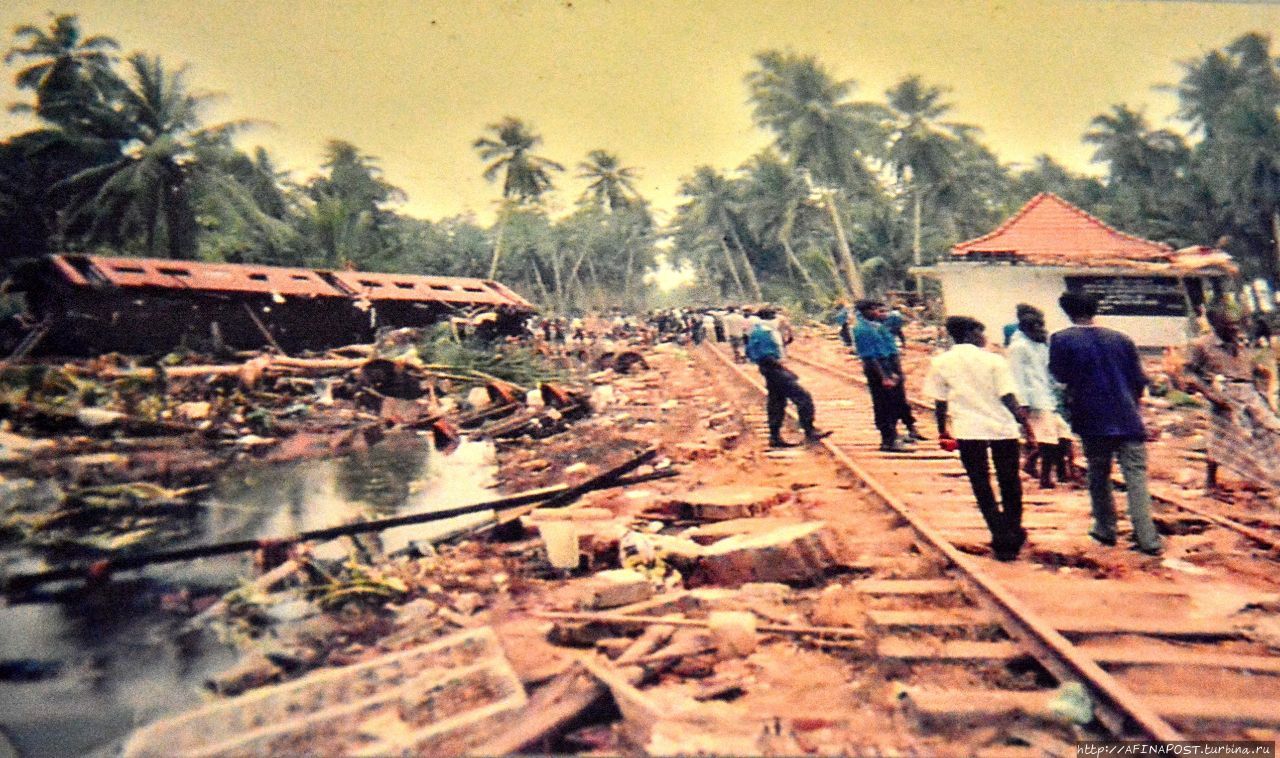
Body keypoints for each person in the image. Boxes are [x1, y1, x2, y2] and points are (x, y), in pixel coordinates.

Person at [1048, 291, 1163, 556]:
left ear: (1066, 311)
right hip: (1128, 417)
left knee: (1098, 475)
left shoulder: (1062, 340)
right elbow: (1139, 380)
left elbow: (1060, 375)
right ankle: (1148, 538)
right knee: (1136, 478)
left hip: (1092, 419)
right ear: (1095, 309)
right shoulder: (1121, 339)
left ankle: (1105, 528)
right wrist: (1132, 405)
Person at [925, 316, 1034, 560]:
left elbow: (940, 401)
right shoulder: (995, 361)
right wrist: (1025, 424)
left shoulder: (941, 362)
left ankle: (998, 534)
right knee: (1009, 480)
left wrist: (943, 430)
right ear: (971, 333)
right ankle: (1013, 530)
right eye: (981, 332)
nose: (984, 337)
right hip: (1002, 428)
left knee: (980, 482)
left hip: (968, 429)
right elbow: (1008, 396)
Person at [1178, 304, 1280, 495]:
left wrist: (1261, 381)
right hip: (1223, 394)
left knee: (1271, 428)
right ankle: (1210, 483)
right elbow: (1189, 373)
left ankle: (1271, 474)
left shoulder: (1241, 341)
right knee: (1224, 438)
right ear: (1215, 324)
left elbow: (1247, 366)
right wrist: (1210, 394)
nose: (1234, 328)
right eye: (1229, 325)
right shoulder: (1201, 345)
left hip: (1249, 392)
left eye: (1236, 324)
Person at [1007, 309, 1077, 489]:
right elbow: (1016, 376)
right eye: (1036, 328)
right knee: (1048, 440)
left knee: (1063, 436)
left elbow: (1049, 372)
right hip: (1034, 399)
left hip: (1050, 398)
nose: (1041, 330)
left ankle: (1032, 464)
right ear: (1026, 330)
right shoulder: (1018, 348)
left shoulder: (1041, 346)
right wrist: (1022, 403)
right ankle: (1046, 478)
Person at [745, 308, 830, 448]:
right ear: (770, 318)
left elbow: (751, 352)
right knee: (803, 397)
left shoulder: (759, 331)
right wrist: (785, 370)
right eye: (775, 316)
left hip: (769, 369)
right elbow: (768, 356)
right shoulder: (765, 333)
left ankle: (775, 436)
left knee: (777, 402)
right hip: (774, 370)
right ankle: (809, 430)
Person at [853, 300, 918, 452]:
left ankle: (892, 437)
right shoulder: (862, 330)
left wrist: (892, 371)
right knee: (883, 404)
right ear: (865, 311)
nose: (877, 312)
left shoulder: (874, 326)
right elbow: (870, 357)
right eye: (874, 309)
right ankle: (888, 440)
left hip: (885, 365)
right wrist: (884, 377)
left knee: (892, 402)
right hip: (877, 368)